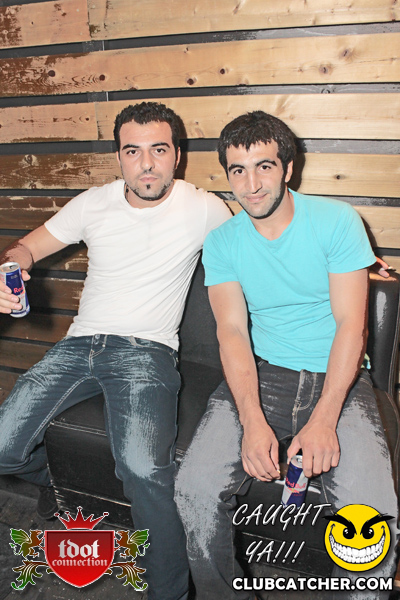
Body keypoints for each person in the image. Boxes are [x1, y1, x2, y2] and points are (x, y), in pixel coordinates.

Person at [0, 102, 231, 600]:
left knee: (144, 470)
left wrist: (347, 268)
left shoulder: (205, 207)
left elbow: (261, 250)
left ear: (177, 155)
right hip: (77, 345)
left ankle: (169, 593)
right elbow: (25, 247)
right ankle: (66, 485)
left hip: (145, 353)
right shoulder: (93, 203)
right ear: (119, 157)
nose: (146, 164)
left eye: (158, 150)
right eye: (132, 151)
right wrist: (10, 268)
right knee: (2, 449)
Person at [175, 111, 398, 599]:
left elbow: (351, 326)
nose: (251, 185)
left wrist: (324, 418)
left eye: (265, 166)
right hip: (264, 374)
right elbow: (232, 331)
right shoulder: (222, 242)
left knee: (372, 521)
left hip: (338, 377)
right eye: (238, 170)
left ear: (288, 168)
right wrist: (251, 419)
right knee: (193, 490)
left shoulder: (337, 221)